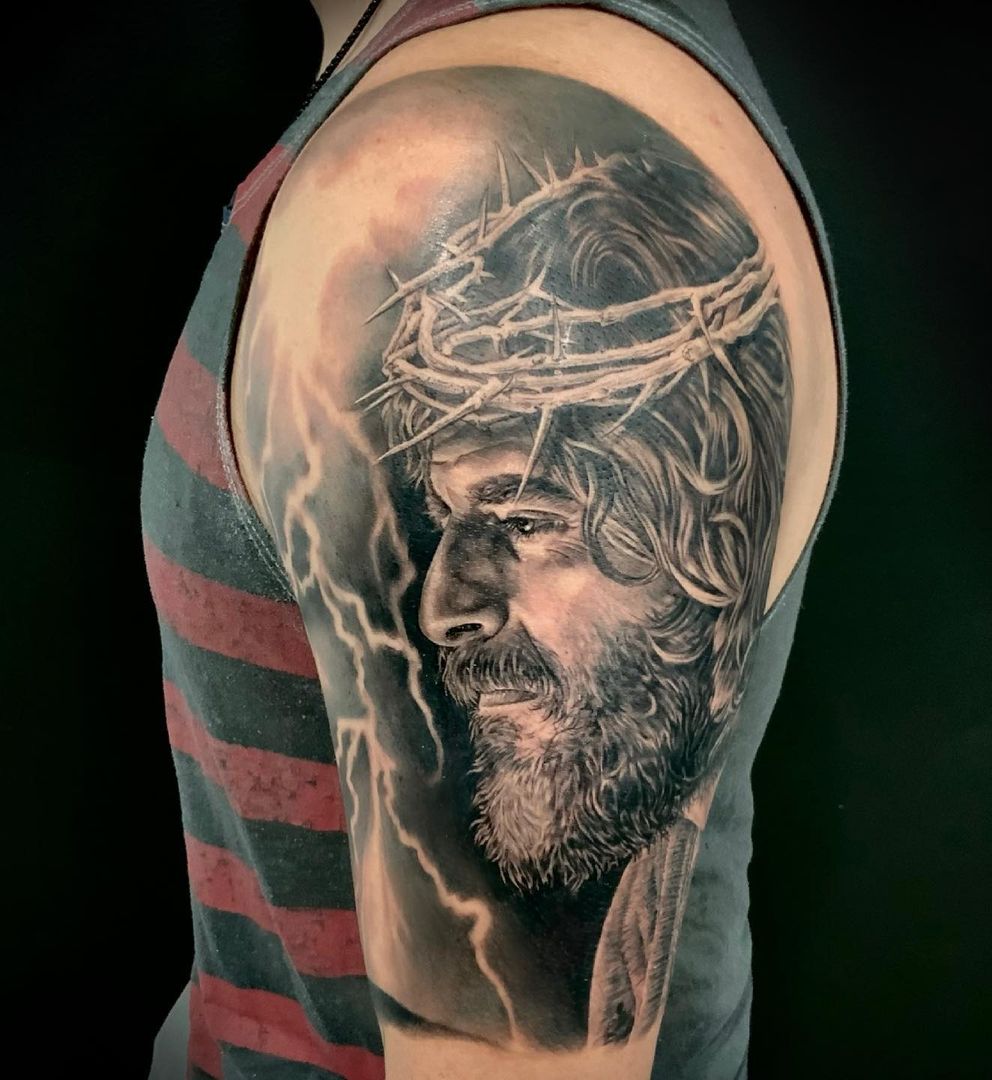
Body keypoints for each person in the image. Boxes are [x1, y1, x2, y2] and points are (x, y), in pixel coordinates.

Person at [144, 1, 844, 1077]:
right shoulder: (436, 93)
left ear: (698, 551)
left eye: (525, 519)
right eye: (446, 521)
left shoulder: (448, 160)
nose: (441, 607)